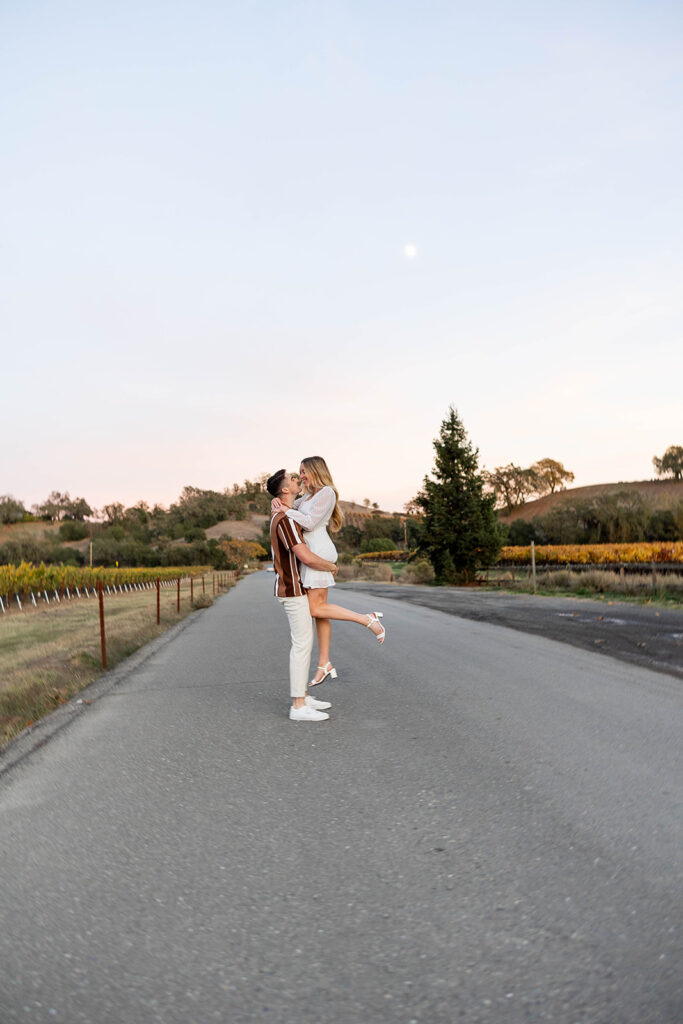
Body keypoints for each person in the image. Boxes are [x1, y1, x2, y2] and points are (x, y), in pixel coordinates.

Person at [271, 456, 385, 689]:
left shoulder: (327, 493)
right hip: (310, 555)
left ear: (316, 470)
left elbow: (310, 523)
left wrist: (285, 511)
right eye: (299, 473)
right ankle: (324, 663)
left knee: (314, 607)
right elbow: (291, 510)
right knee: (319, 612)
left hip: (318, 554)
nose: (301, 476)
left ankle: (367, 619)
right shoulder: (306, 497)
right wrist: (281, 506)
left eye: (304, 472)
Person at [267, 469, 338, 722]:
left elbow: (306, 508)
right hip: (292, 588)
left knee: (303, 644)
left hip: (295, 588)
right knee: (301, 645)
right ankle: (298, 706)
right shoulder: (285, 520)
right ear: (285, 489)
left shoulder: (285, 513)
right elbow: (304, 556)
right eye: (293, 479)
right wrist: (330, 566)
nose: (298, 480)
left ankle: (304, 697)